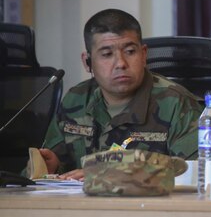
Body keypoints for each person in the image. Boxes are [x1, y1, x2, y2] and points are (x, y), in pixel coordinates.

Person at [37, 9, 201, 180]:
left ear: (144, 55)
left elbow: (196, 173)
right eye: (107, 54)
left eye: (130, 51)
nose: (121, 63)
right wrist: (51, 166)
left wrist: (116, 173)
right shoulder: (75, 99)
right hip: (81, 205)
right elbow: (55, 164)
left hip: (149, 206)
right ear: (88, 62)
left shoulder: (176, 103)